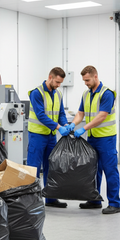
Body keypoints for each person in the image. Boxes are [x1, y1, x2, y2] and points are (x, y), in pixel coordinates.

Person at [67, 65, 120, 214]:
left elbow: (102, 116)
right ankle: (94, 199)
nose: (86, 83)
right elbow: (80, 113)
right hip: (93, 138)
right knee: (92, 170)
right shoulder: (86, 94)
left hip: (106, 138)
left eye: (88, 80)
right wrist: (73, 123)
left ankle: (115, 203)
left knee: (110, 170)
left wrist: (84, 128)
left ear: (95, 76)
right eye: (84, 81)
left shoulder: (107, 94)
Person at [27, 67, 70, 208]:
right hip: (37, 135)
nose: (58, 85)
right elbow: (40, 115)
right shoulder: (36, 93)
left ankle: (51, 199)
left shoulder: (58, 94)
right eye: (57, 82)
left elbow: (61, 113)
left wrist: (65, 124)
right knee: (33, 168)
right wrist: (58, 127)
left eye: (60, 83)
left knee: (51, 168)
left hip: (51, 137)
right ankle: (31, 201)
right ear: (50, 77)